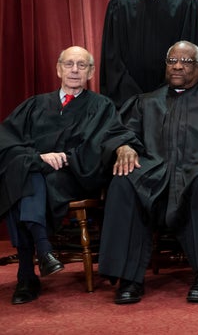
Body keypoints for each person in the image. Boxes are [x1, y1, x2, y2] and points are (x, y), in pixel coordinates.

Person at [98, 41, 198, 305]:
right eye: (172, 61)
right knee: (124, 180)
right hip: (154, 175)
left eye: (187, 61)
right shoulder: (146, 102)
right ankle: (129, 278)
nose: (178, 66)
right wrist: (123, 145)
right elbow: (118, 131)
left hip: (197, 171)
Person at [0, 47, 135, 305]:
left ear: (91, 72)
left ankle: (27, 273)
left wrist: (58, 159)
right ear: (58, 69)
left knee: (23, 179)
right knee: (23, 173)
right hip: (36, 173)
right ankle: (44, 252)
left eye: (82, 65)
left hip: (73, 177)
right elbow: (6, 139)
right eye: (69, 64)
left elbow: (97, 148)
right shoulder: (35, 104)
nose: (74, 70)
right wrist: (37, 158)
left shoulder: (101, 106)